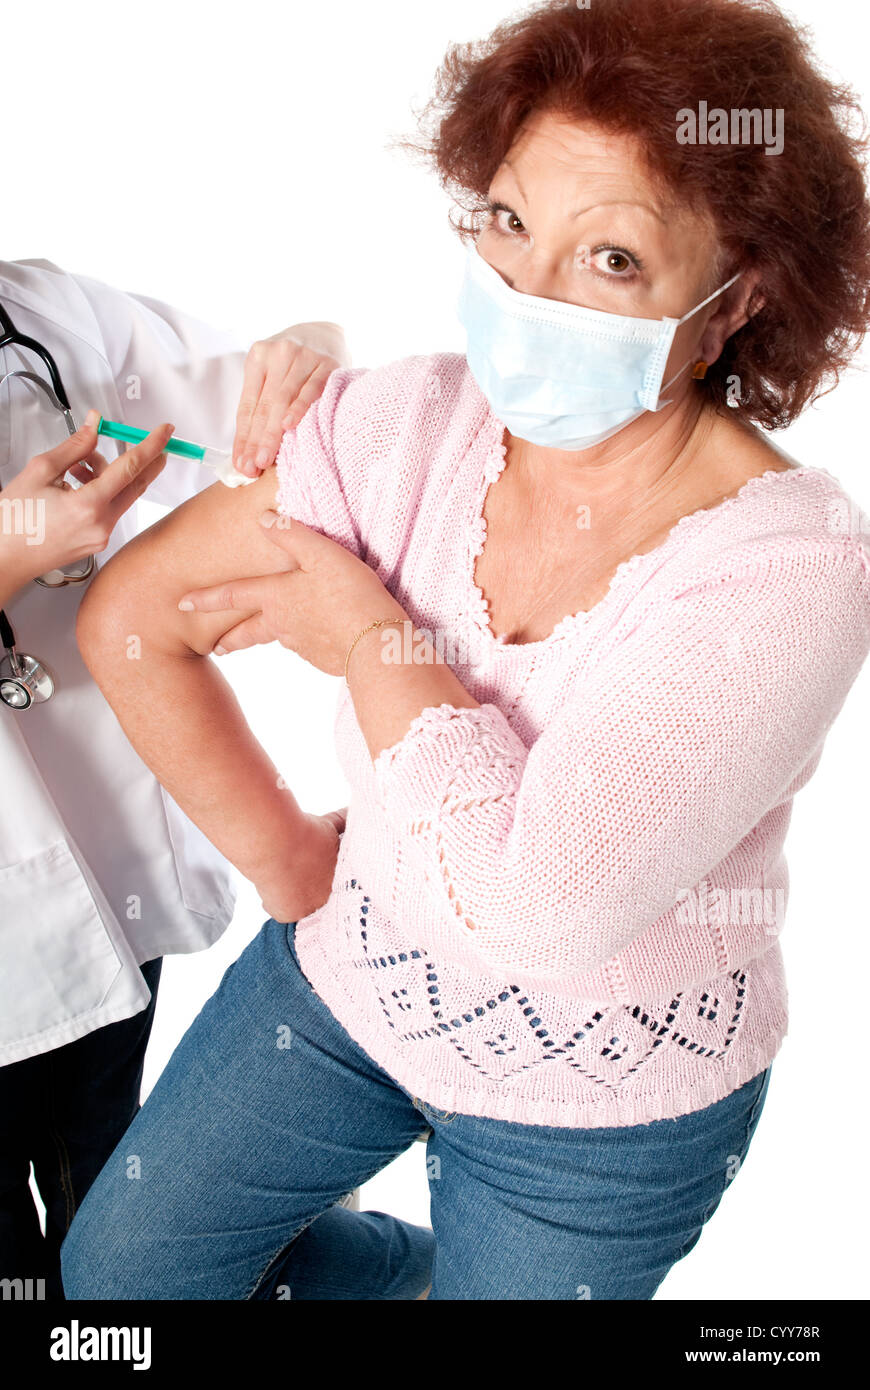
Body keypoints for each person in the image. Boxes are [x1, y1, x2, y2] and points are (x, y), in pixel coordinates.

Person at [62, 0, 870, 1300]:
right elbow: (134, 616)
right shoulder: (401, 425)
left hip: (611, 1099)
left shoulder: (792, 569)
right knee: (121, 1274)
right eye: (506, 223)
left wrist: (364, 633)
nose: (527, 293)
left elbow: (543, 912)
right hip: (354, 985)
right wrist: (284, 861)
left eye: (609, 258)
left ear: (733, 303)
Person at [0, 254, 350, 1300]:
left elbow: (261, 409)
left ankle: (375, 1273)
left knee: (132, 1257)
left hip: (103, 898)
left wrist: (309, 356)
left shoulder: (39, 311)